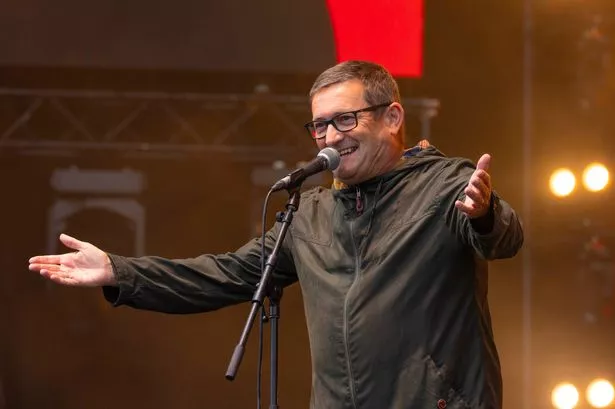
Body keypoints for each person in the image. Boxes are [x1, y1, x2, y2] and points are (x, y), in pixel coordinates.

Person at [28, 60, 524, 409]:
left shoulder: (446, 184)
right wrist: (119, 270)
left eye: (345, 120)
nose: (330, 137)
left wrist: (483, 214)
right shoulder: (308, 215)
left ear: (392, 118)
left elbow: (503, 239)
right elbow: (225, 273)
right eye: (319, 126)